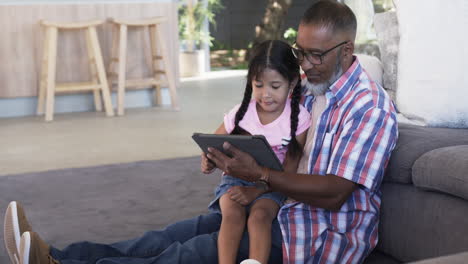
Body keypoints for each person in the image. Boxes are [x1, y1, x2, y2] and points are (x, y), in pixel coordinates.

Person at [4, 1, 398, 263]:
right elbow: (277, 136)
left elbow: (335, 192)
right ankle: (55, 255)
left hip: (317, 238)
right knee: (166, 236)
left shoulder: (367, 108)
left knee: (188, 253)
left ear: (347, 51)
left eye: (317, 55)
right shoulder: (315, 91)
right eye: (301, 52)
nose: (306, 64)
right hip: (282, 208)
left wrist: (259, 175)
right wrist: (229, 150)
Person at [201, 40, 310, 264]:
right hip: (235, 180)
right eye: (258, 85)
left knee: (260, 218)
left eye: (275, 86)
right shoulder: (241, 113)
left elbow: (289, 169)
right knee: (232, 216)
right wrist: (208, 160)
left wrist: (257, 190)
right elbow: (212, 143)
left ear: (292, 83)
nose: (266, 94)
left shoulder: (298, 118)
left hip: (272, 185)